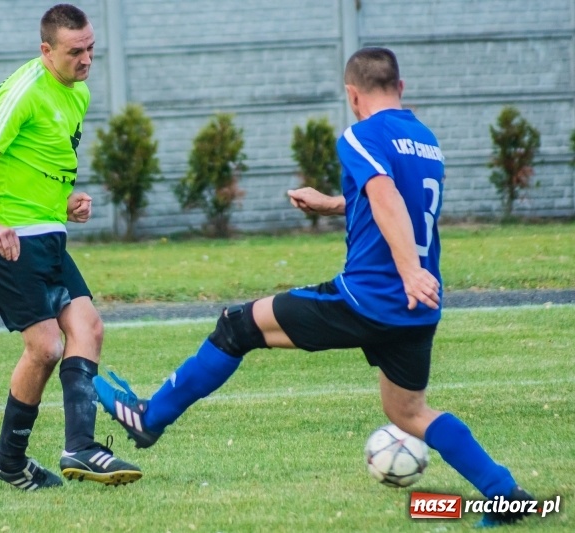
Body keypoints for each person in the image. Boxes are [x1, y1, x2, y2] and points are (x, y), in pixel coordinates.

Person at [94, 47, 533, 525]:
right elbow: (394, 199)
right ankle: (504, 492)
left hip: (370, 298)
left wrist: (406, 269)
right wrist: (333, 203)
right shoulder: (425, 140)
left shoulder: (359, 134)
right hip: (418, 305)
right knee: (408, 411)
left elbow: (385, 197)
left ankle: (148, 419)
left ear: (352, 94)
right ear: (400, 88)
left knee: (237, 326)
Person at [0, 3, 141, 490]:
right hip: (3, 240)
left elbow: (36, 167)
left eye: (91, 49)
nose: (86, 60)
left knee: (88, 328)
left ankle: (80, 447)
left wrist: (67, 203)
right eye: (75, 51)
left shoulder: (75, 91)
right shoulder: (24, 92)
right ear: (46, 50)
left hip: (44, 233)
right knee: (45, 346)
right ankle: (9, 462)